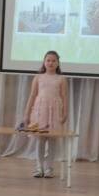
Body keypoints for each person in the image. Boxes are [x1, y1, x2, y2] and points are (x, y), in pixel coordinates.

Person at [23, 50, 68, 178]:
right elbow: (32, 95)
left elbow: (64, 97)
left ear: (58, 63)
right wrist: (26, 114)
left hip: (55, 112)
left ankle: (49, 168)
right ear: (44, 62)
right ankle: (39, 167)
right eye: (48, 60)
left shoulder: (61, 79)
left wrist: (65, 112)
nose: (50, 63)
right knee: (40, 139)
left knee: (52, 140)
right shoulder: (38, 77)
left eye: (53, 61)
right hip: (40, 111)